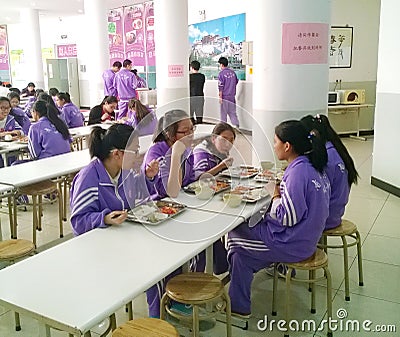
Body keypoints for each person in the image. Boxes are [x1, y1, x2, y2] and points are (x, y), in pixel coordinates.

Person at [227, 120, 331, 317]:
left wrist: (275, 193)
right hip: (307, 238)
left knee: (234, 233)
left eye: (275, 142)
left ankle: (235, 292)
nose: (274, 147)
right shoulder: (312, 165)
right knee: (242, 256)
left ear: (287, 146)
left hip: (291, 243)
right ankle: (238, 304)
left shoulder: (298, 171)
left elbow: (287, 217)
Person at [141, 109, 196, 318]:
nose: (191, 133)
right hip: (157, 214)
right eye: (185, 131)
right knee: (167, 258)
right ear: (171, 134)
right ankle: (161, 309)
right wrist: (175, 156)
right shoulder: (157, 152)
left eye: (192, 128)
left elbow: (189, 181)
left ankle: (183, 292)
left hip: (179, 210)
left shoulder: (186, 149)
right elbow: (169, 192)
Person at [69, 123, 159, 236]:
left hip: (120, 234)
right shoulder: (89, 178)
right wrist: (104, 218)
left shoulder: (125, 171)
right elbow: (78, 222)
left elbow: (134, 192)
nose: (138, 156)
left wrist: (147, 177)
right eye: (135, 151)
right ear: (117, 154)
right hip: (95, 241)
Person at [190, 122, 236, 274]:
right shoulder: (201, 152)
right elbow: (199, 179)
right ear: (214, 138)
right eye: (224, 138)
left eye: (231, 139)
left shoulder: (220, 152)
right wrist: (221, 167)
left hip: (213, 197)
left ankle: (222, 264)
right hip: (197, 201)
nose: (228, 143)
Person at [301, 114, 359, 230]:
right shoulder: (335, 148)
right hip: (336, 214)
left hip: (325, 218)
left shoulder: (324, 159)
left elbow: (313, 195)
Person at [0, 96, 23, 167]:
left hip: (9, 148)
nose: (5, 110)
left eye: (7, 108)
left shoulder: (11, 119)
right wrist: (8, 133)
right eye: (2, 108)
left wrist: (17, 134)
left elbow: (21, 131)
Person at [218, 57, 239, 127]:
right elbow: (236, 82)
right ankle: (236, 125)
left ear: (221, 65)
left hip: (224, 96)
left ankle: (223, 128)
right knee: (232, 112)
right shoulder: (233, 73)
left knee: (223, 113)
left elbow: (220, 86)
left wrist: (220, 97)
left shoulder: (221, 74)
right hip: (232, 96)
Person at [189, 60, 205, 125]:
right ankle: (200, 129)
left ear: (192, 67)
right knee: (199, 116)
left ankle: (192, 129)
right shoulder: (202, 76)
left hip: (191, 98)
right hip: (200, 97)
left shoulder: (189, 77)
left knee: (190, 116)